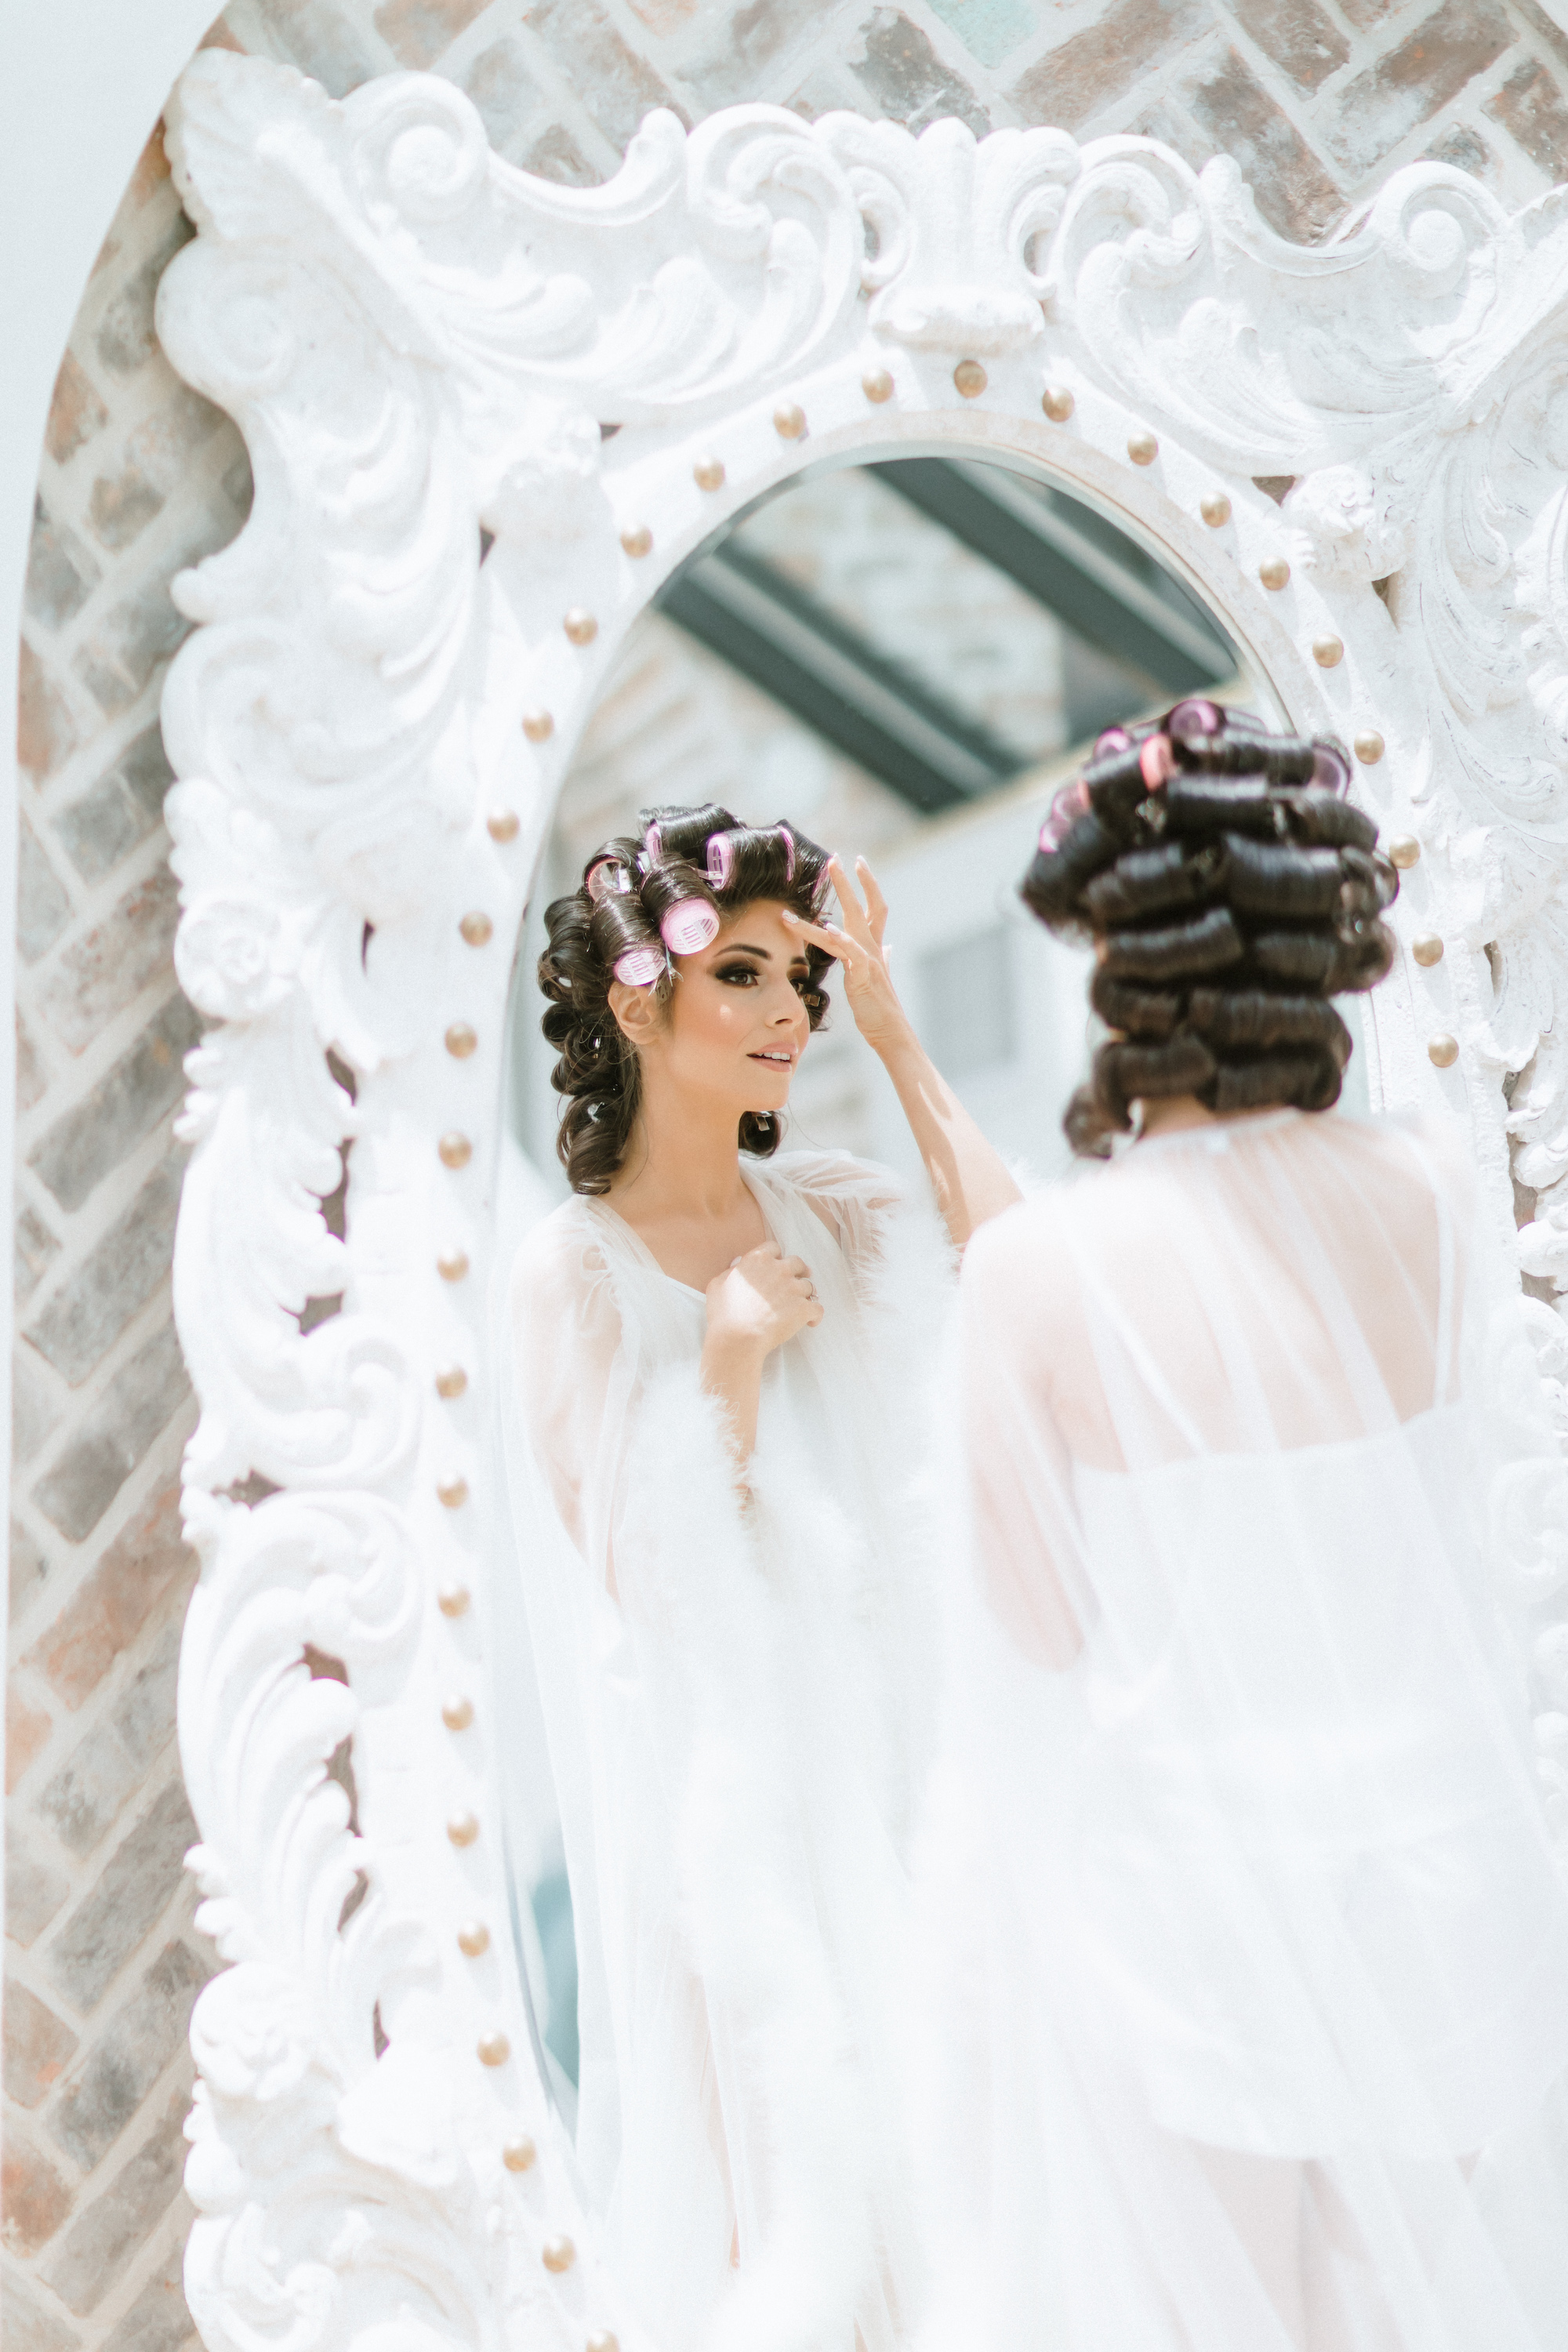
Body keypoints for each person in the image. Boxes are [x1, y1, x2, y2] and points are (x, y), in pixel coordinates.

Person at [920, 702, 1568, 2352]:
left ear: (1119, 980)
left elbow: (1040, 1629)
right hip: (1451, 1874)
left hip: (1199, 1915)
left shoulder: (1038, 1274)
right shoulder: (1435, 1191)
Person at [505, 805, 1017, 2352]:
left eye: (802, 975)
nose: (791, 1013)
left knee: (949, 2199)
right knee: (776, 2226)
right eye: (747, 974)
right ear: (632, 999)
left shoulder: (843, 1214)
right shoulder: (570, 1271)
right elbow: (636, 1581)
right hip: (724, 1819)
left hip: (887, 1766)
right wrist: (723, 1355)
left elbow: (1018, 1269)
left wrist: (898, 1040)